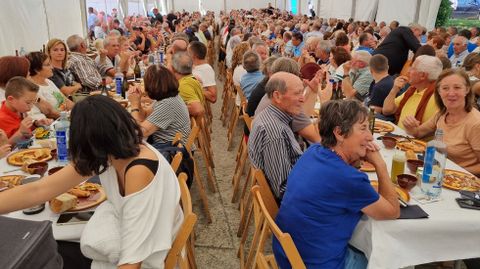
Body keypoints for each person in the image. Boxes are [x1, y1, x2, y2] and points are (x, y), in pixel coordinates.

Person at [0, 95, 183, 268]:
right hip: (133, 238)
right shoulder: (115, 150)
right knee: (46, 248)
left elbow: (133, 260)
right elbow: (39, 190)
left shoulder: (138, 170)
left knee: (40, 254)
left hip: (150, 252)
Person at [273, 99, 399, 269]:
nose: (370, 136)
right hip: (316, 263)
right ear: (339, 133)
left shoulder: (314, 151)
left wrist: (354, 157)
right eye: (363, 128)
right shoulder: (348, 179)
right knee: (386, 258)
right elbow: (392, 211)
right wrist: (381, 166)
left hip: (287, 254)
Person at [403, 69, 480, 176]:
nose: (451, 93)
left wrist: (453, 172)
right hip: (437, 173)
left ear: (467, 90)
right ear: (439, 92)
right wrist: (410, 126)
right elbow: (418, 133)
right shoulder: (442, 113)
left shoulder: (476, 123)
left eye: (457, 87)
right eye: (445, 88)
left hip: (462, 183)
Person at [248, 72, 305, 202]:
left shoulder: (269, 115)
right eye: (297, 93)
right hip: (291, 203)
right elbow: (283, 190)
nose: (303, 99)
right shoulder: (275, 132)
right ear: (277, 96)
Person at [128, 64, 191, 147]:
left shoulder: (168, 104)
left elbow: (138, 133)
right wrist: (138, 101)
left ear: (152, 86)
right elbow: (145, 115)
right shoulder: (168, 97)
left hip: (170, 151)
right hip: (170, 146)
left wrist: (134, 105)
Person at [382, 55, 442, 129]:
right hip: (399, 136)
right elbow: (387, 110)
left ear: (422, 75)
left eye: (413, 68)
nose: (408, 71)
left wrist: (415, 130)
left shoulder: (438, 97)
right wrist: (394, 90)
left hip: (416, 139)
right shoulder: (412, 90)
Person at [0, 77, 50, 144]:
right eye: (28, 103)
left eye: (33, 102)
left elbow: (27, 132)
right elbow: (4, 149)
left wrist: (36, 124)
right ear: (11, 99)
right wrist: (20, 132)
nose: (31, 107)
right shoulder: (2, 119)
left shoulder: (20, 110)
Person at [170, 52, 205, 117]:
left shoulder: (184, 85)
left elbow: (198, 109)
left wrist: (171, 109)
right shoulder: (190, 78)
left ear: (173, 69)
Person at [366, 54, 395, 121]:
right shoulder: (391, 80)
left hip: (383, 121)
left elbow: (374, 111)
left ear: (370, 69)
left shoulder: (379, 87)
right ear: (387, 67)